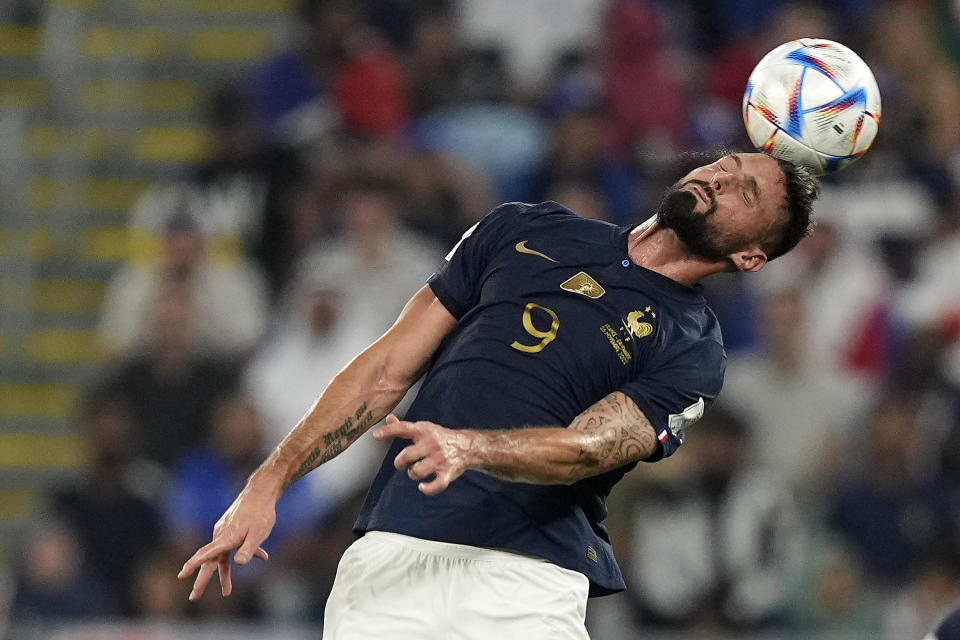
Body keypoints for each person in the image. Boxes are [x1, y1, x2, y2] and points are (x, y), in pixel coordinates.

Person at [178, 150, 819, 638]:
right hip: (397, 549)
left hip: (528, 579)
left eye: (745, 191)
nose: (718, 177)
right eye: (725, 164)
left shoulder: (691, 345)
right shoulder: (521, 228)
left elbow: (590, 448)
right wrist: (268, 482)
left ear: (751, 258)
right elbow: (386, 368)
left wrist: (473, 447)